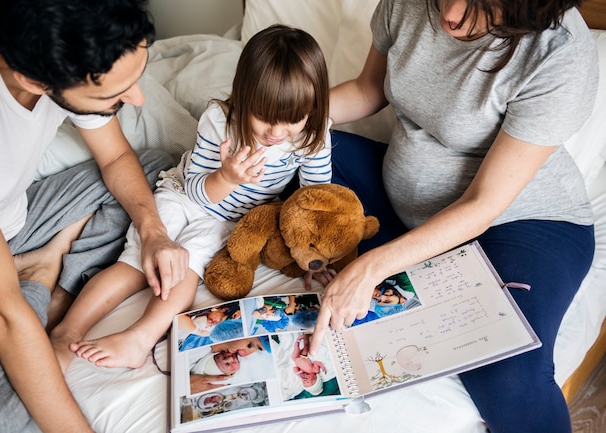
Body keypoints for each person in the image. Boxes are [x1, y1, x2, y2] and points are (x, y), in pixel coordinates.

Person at [309, 0, 598, 432]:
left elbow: (483, 204)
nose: (451, 13)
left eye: (483, 5)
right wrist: (287, 120)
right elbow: (370, 89)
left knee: (505, 371)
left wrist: (370, 268)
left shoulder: (559, 52)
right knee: (302, 152)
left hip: (519, 224)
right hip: (405, 207)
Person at [51, 23, 332, 371]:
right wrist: (226, 177)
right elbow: (197, 189)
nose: (276, 133)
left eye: (292, 120)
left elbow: (315, 201)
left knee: (187, 269)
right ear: (243, 97)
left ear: (313, 108)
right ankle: (65, 331)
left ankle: (139, 338)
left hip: (229, 221)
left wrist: (317, 256)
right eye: (264, 118)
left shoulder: (313, 137)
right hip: (183, 195)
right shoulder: (220, 120)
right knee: (136, 261)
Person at [0, 0, 191, 432]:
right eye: (114, 96)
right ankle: (43, 282)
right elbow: (0, 315)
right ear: (35, 81)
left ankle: (44, 267)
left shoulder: (60, 36)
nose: (137, 99)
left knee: (157, 174)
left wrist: (152, 233)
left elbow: (115, 157)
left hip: (14, 223)